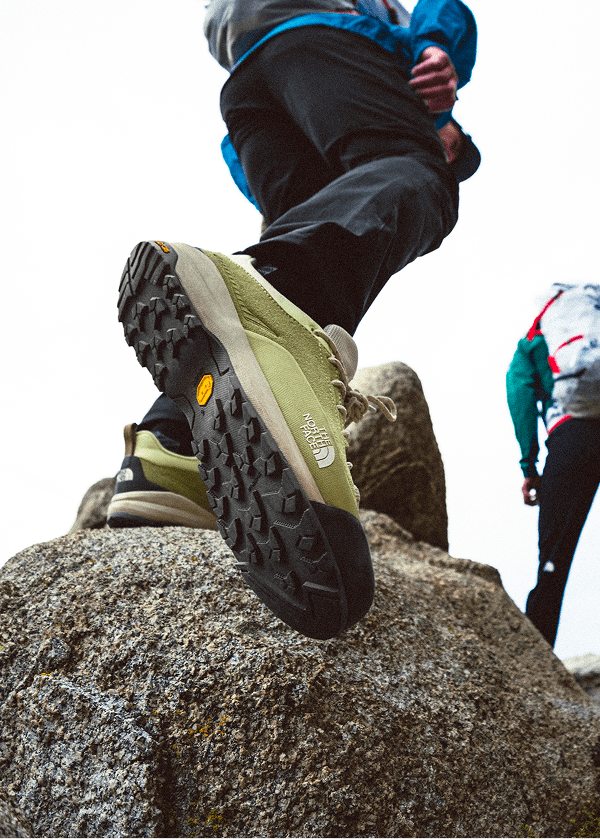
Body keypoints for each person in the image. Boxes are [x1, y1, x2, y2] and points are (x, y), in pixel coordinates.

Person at [108, 0, 478, 640]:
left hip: (248, 82)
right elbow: (439, 12)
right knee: (414, 177)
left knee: (322, 277)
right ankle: (245, 294)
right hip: (327, 40)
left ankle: (173, 448)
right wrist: (440, 50)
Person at [506, 283, 600, 648]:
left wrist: (529, 466)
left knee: (554, 558)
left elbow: (520, 396)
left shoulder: (536, 337)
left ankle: (537, 663)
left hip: (571, 436)